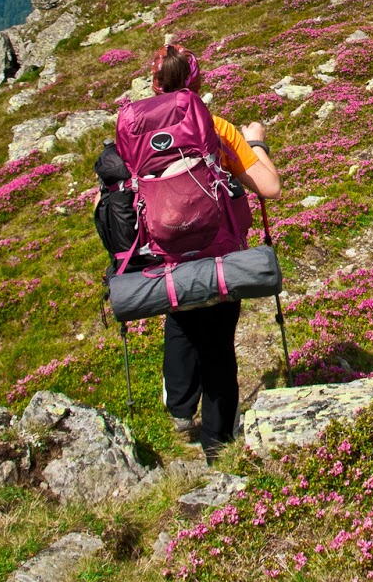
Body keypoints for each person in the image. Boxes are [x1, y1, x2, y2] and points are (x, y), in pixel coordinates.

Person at [101, 43, 280, 456]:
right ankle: (218, 442)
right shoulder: (217, 129)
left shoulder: (132, 137)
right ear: (197, 84)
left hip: (165, 259)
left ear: (154, 85)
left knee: (180, 320)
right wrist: (256, 143)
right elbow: (270, 187)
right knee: (218, 346)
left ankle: (180, 404)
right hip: (220, 258)